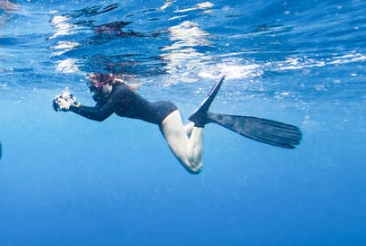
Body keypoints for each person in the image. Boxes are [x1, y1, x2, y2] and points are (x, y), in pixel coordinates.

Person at [53, 73, 302, 174]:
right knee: (181, 136)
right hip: (164, 117)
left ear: (106, 80)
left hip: (164, 117)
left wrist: (73, 108)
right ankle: (203, 121)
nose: (93, 92)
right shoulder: (113, 92)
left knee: (194, 167)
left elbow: (98, 117)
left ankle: (202, 120)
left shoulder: (120, 93)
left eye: (94, 87)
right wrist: (73, 104)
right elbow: (96, 110)